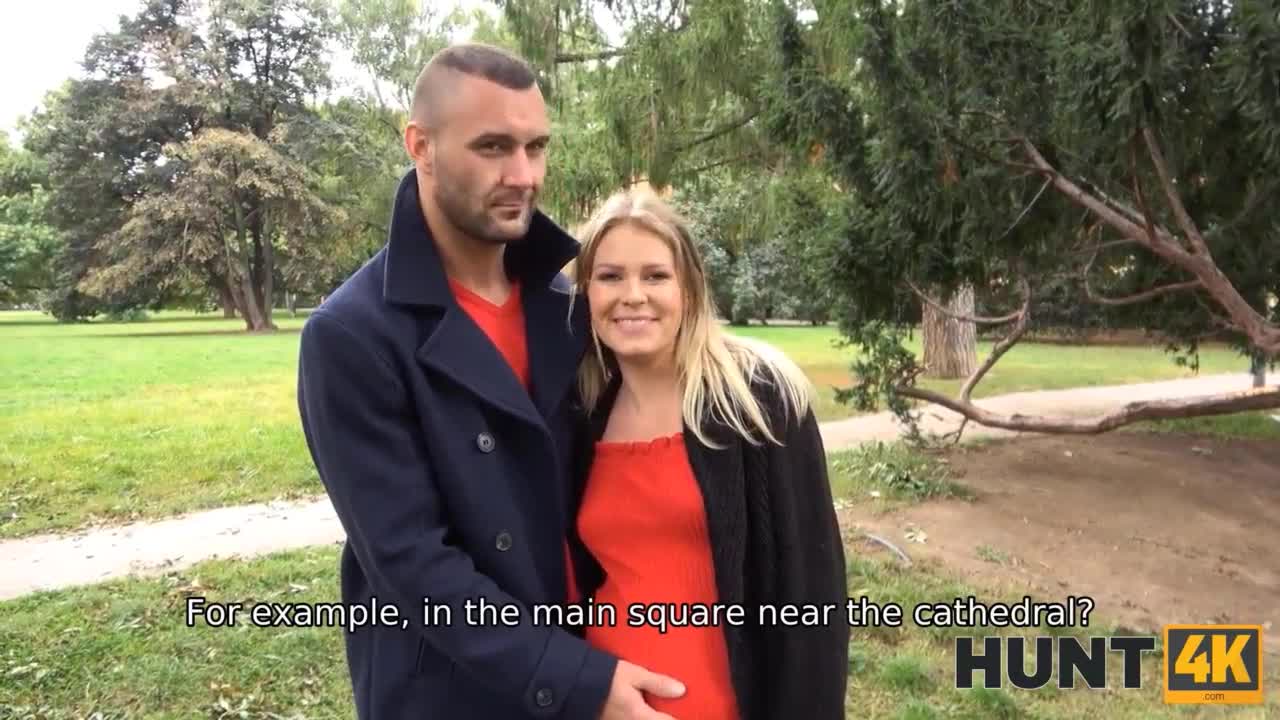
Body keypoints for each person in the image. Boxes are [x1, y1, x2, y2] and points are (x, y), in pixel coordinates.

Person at [296, 44, 686, 719]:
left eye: (536, 148)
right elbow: (412, 562)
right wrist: (577, 680)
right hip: (455, 691)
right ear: (421, 146)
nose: (523, 175)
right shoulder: (354, 335)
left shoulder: (568, 309)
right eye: (493, 147)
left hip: (600, 652)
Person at [566, 189, 850, 720]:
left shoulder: (757, 400)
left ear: (689, 289)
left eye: (656, 276)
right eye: (610, 276)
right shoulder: (582, 415)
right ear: (586, 293)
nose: (632, 295)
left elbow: (814, 597)